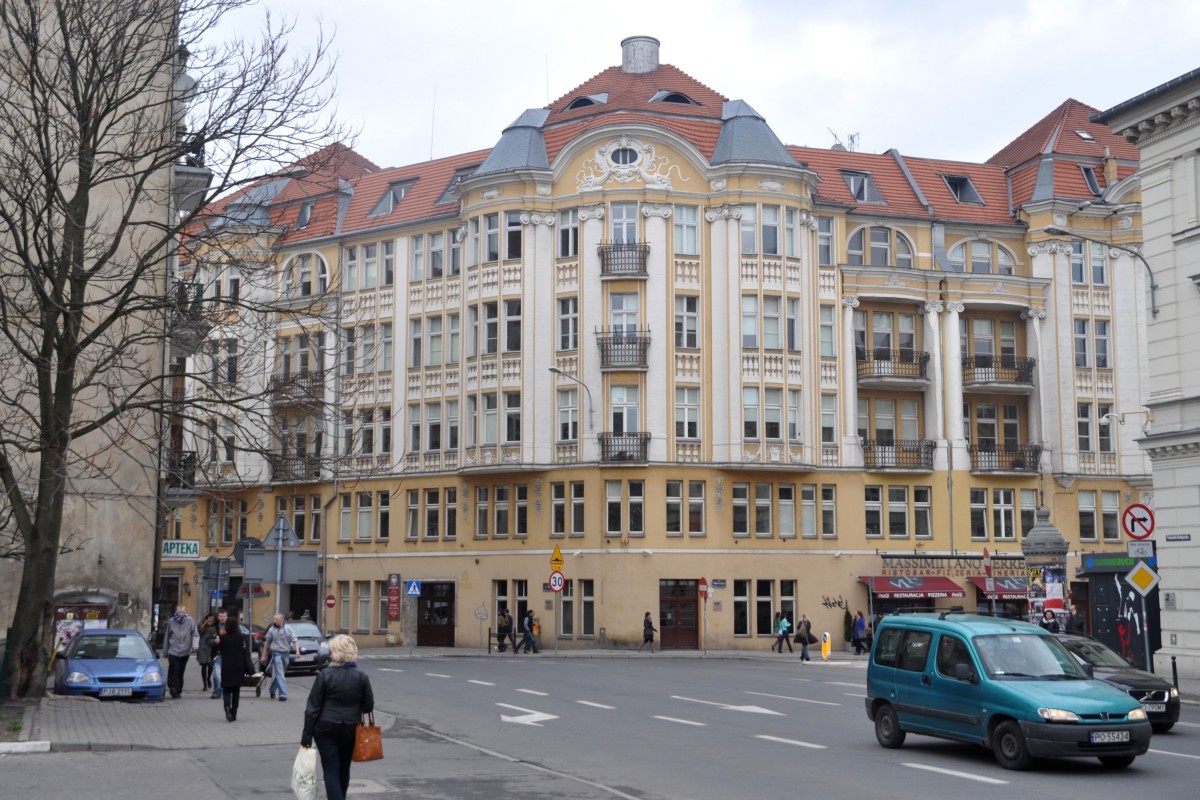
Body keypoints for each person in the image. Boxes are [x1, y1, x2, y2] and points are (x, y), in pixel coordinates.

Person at [302, 635, 375, 800]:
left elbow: (312, 708)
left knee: (331, 770)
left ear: (334, 652)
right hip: (350, 728)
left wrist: (306, 735)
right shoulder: (361, 676)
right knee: (344, 768)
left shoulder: (325, 675)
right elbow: (369, 706)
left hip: (325, 728)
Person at [215, 609, 253, 722]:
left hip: (227, 666)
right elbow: (246, 652)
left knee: (226, 689)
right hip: (239, 667)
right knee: (236, 690)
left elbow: (220, 650)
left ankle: (227, 708)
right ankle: (234, 712)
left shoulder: (223, 638)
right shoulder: (241, 637)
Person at [261, 613, 301, 701]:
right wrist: (264, 655)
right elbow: (267, 643)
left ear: (282, 620)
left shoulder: (289, 629)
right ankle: (283, 694)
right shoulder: (272, 629)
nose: (274, 621)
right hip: (276, 654)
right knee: (280, 674)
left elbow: (295, 640)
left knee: (281, 674)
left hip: (286, 653)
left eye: (277, 620)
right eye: (274, 619)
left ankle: (272, 689)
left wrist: (297, 651)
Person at [161, 604, 199, 698]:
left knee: (181, 670)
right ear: (176, 612)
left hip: (185, 651)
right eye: (179, 612)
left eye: (182, 612)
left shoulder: (190, 621)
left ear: (185, 612)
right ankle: (172, 687)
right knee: (173, 668)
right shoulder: (171, 621)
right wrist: (165, 651)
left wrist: (194, 646)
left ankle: (178, 690)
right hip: (173, 650)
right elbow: (167, 636)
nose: (181, 614)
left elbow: (195, 634)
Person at [204, 607, 228, 699]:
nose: (222, 618)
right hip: (217, 654)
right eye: (221, 616)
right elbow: (207, 640)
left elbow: (238, 638)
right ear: (218, 617)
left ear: (227, 617)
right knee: (217, 674)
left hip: (229, 655)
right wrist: (214, 641)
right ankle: (217, 692)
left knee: (226, 675)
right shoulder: (213, 628)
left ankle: (226, 691)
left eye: (224, 616)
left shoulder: (231, 626)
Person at [196, 613, 217, 692]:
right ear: (207, 618)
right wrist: (204, 624)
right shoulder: (202, 624)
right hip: (202, 647)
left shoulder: (215, 626)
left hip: (211, 648)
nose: (211, 619)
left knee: (211, 666)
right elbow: (198, 633)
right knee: (204, 666)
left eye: (213, 618)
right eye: (210, 618)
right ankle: (204, 683)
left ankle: (208, 678)